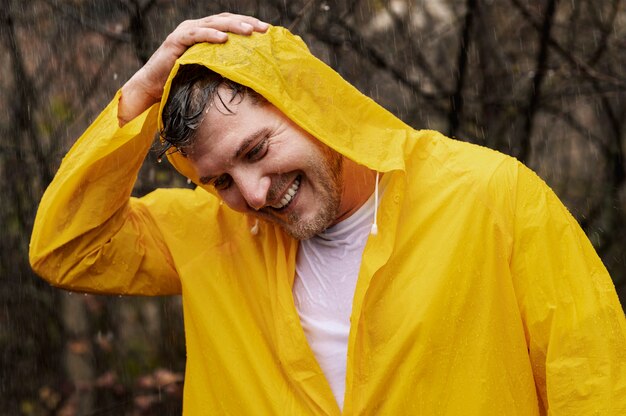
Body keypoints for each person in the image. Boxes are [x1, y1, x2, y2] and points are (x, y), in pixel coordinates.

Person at [30, 12, 626, 415]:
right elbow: (67, 248)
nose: (254, 195)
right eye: (221, 181)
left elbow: (592, 381)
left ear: (310, 103)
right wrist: (136, 98)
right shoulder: (210, 233)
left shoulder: (489, 194)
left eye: (257, 150)